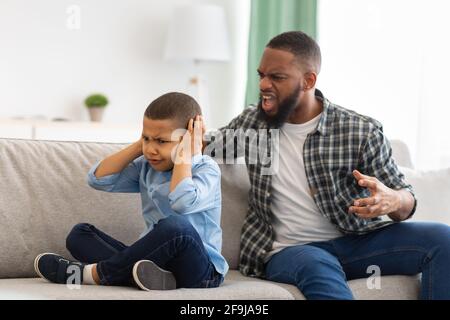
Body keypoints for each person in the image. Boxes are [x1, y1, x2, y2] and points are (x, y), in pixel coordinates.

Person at [204, 31, 450, 299]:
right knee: (317, 265)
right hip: (290, 250)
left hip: (357, 241)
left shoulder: (359, 131)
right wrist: (161, 141)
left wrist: (393, 199)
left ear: (308, 80)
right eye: (261, 74)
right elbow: (206, 145)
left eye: (277, 77)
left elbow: (404, 201)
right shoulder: (253, 123)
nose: (263, 84)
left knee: (442, 239)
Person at [34, 92, 228, 290]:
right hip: (156, 262)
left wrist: (185, 155)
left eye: (161, 141)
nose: (151, 148)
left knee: (176, 227)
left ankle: (93, 274)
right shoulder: (146, 165)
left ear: (189, 138)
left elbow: (181, 202)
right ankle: (146, 276)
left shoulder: (206, 169)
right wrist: (140, 146)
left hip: (201, 270)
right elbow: (97, 179)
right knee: (79, 235)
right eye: (146, 138)